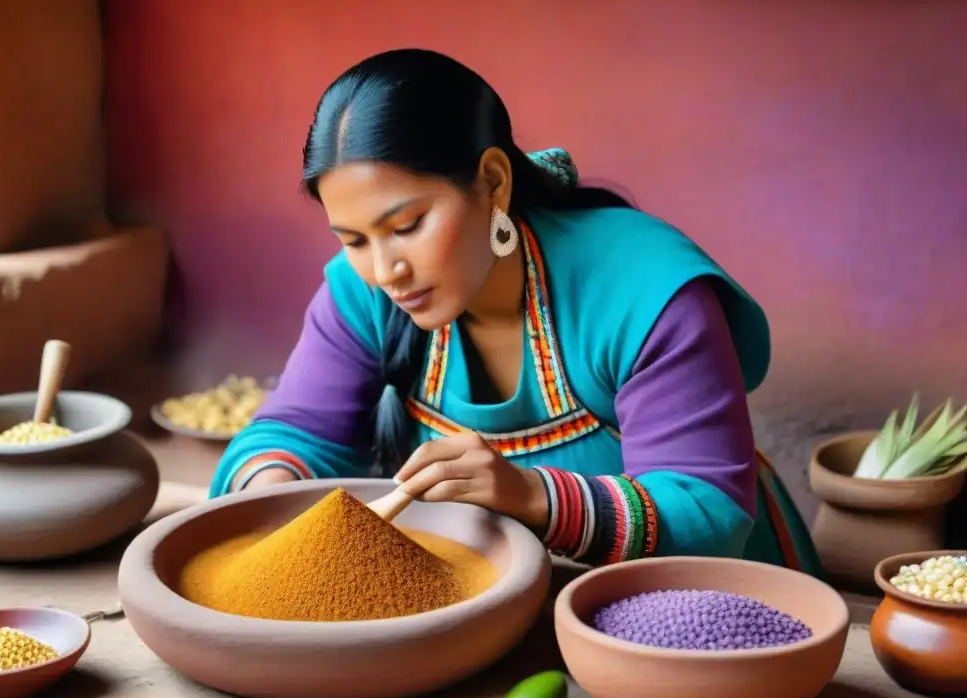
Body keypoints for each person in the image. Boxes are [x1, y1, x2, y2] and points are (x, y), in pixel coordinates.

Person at [210, 48, 821, 573]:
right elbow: (292, 433)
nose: (385, 270)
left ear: (494, 181)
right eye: (353, 239)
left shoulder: (646, 289)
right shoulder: (362, 287)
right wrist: (274, 498)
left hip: (702, 610)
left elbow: (709, 512)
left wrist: (532, 496)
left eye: (407, 225)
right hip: (499, 604)